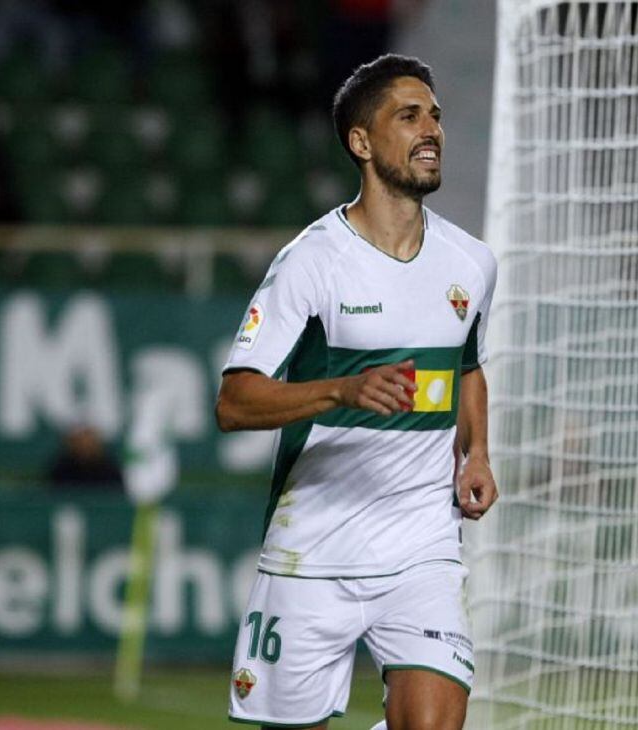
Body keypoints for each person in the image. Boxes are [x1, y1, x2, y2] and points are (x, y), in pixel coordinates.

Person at [216, 54, 497, 730]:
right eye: (409, 116)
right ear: (361, 142)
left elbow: (466, 367)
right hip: (313, 550)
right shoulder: (312, 262)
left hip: (422, 547)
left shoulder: (472, 263)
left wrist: (477, 451)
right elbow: (235, 402)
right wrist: (342, 388)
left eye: (435, 115)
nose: (431, 129)